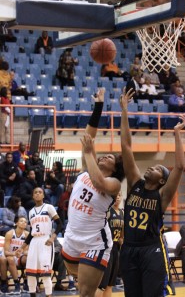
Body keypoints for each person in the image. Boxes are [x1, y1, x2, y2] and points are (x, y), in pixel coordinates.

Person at [119, 87, 185, 297]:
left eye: (157, 169)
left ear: (163, 180)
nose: (151, 167)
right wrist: (124, 111)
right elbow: (126, 147)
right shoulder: (135, 184)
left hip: (151, 250)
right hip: (128, 249)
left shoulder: (162, 196)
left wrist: (176, 134)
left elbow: (181, 167)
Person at [61, 88, 125, 297]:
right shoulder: (86, 170)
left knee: (86, 294)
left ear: (115, 168)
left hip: (95, 241)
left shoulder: (114, 183)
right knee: (80, 287)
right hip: (72, 236)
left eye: (109, 158)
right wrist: (98, 106)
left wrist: (89, 152)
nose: (103, 156)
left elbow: (98, 182)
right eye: (103, 155)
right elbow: (89, 137)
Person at [19, 187, 63, 297]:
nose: (38, 194)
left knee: (46, 273)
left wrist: (52, 237)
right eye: (35, 192)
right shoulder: (30, 212)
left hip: (45, 241)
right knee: (31, 273)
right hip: (34, 242)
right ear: (33, 196)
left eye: (40, 192)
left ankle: (49, 295)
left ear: (43, 195)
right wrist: (22, 247)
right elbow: (31, 233)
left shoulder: (49, 207)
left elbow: (60, 223)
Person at [95, 191, 124, 297]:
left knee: (110, 284)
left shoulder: (122, 212)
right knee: (102, 283)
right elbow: (99, 228)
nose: (117, 197)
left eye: (119, 195)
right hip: (106, 248)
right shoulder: (107, 211)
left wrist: (122, 238)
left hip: (116, 249)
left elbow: (122, 232)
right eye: (115, 195)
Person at [1, 216, 29, 294]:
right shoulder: (9, 234)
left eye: (25, 222)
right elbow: (6, 252)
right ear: (16, 223)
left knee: (29, 258)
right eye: (21, 221)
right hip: (9, 255)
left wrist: (25, 252)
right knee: (9, 259)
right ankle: (15, 284)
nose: (24, 223)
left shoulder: (27, 234)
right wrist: (14, 253)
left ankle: (27, 282)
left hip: (20, 256)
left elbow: (27, 250)